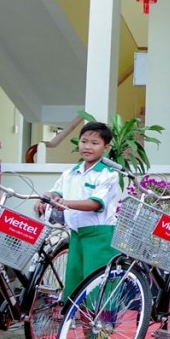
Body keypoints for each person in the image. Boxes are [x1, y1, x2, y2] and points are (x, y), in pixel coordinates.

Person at [35, 120, 120, 297]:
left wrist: (66, 203)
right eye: (84, 141)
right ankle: (74, 322)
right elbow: (54, 191)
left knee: (97, 285)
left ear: (106, 147)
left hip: (100, 236)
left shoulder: (108, 175)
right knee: (74, 283)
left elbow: (95, 203)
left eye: (95, 143)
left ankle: (102, 324)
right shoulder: (70, 173)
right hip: (76, 234)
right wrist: (44, 198)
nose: (88, 147)